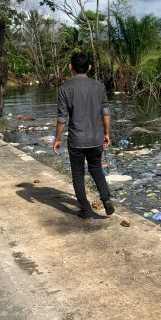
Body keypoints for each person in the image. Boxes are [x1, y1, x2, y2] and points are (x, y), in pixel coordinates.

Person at [53, 52, 115, 219]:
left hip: (76, 141)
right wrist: (107, 133)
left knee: (78, 175)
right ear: (89, 67)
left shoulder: (65, 89)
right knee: (96, 170)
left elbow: (62, 119)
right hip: (96, 139)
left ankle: (86, 209)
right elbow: (106, 112)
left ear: (70, 67)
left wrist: (57, 139)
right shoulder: (99, 86)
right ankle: (106, 199)